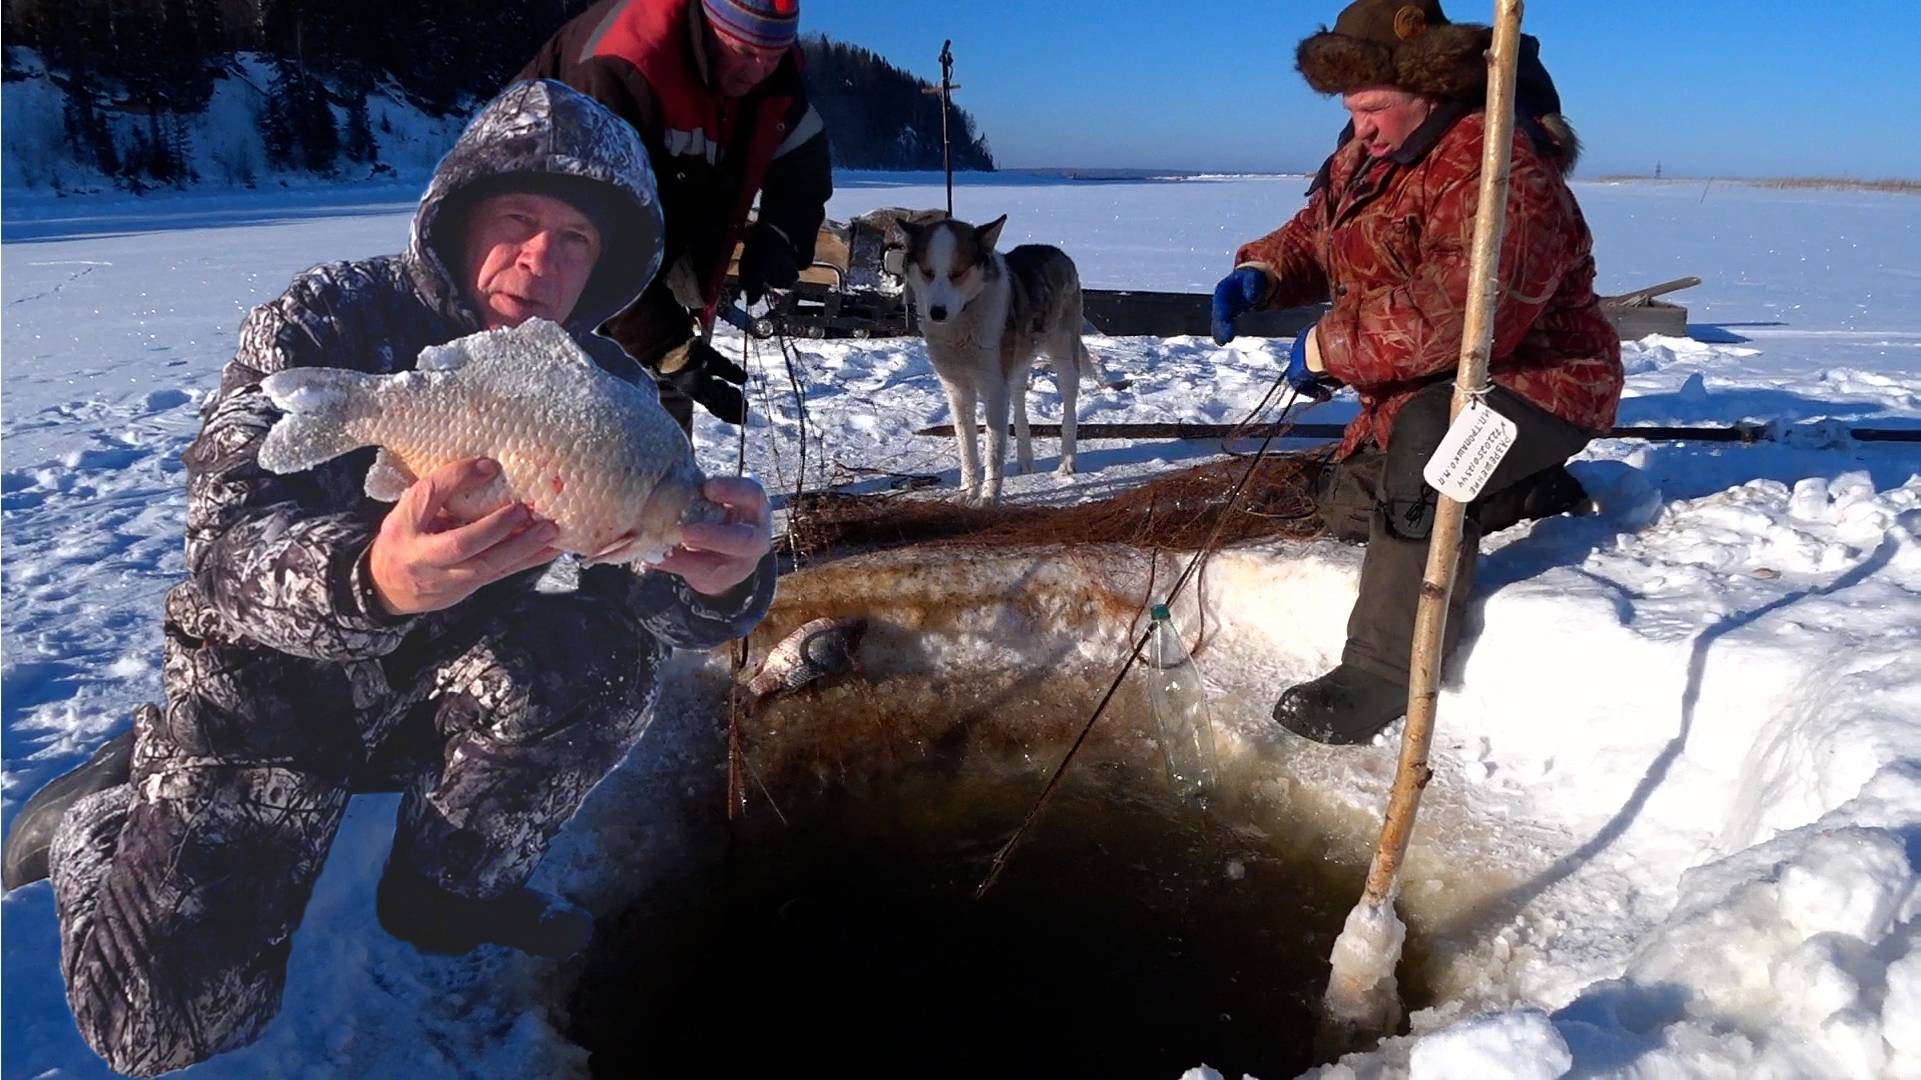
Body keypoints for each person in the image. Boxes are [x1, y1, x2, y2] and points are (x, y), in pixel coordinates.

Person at [0, 79, 777, 1077]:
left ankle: (448, 891)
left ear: (608, 265)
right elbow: (225, 536)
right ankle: (99, 815)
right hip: (281, 681)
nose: (541, 259)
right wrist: (373, 577)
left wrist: (718, 581)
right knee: (159, 1029)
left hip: (451, 677)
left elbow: (636, 577)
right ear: (458, 217)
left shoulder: (614, 389)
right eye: (519, 218)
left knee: (608, 661)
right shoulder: (324, 319)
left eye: (576, 240)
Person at [1210, 0, 1622, 745]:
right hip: (1422, 382)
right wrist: (1264, 271)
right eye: (1349, 107)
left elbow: (1463, 313)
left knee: (1433, 446)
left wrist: (1326, 347)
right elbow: (1319, 232)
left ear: (1428, 91)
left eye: (1373, 107)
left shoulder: (1500, 170)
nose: (1359, 124)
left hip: (1540, 385)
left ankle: (1381, 670)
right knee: (1353, 507)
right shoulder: (1369, 153)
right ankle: (1522, 490)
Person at [519, 0, 834, 434]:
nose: (757, 72)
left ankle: (668, 493)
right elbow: (584, 235)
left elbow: (802, 154)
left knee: (669, 401)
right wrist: (663, 344)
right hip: (537, 261)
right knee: (576, 426)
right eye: (744, 54)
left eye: (773, 56)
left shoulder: (773, 71)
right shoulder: (620, 67)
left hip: (656, 242)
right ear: (707, 24)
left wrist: (781, 233)